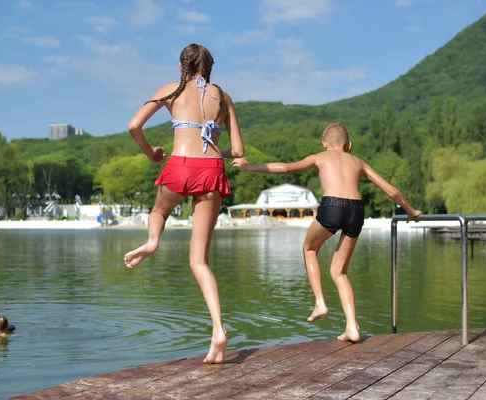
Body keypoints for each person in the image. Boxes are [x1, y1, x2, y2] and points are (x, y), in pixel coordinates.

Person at [232, 123, 421, 342]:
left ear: (324, 144)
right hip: (356, 211)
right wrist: (411, 211)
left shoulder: (319, 157)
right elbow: (391, 190)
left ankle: (320, 302)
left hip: (332, 206)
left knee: (309, 248)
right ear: (349, 145)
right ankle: (352, 326)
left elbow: (285, 168)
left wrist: (248, 166)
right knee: (339, 272)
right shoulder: (359, 162)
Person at [124, 43, 244, 364]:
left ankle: (152, 242)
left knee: (159, 211)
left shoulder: (171, 90)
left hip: (179, 165)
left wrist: (151, 154)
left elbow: (134, 125)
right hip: (212, 170)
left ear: (182, 65)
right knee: (199, 262)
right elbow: (239, 149)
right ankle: (218, 330)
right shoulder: (223, 96)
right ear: (210, 67)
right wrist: (216, 149)